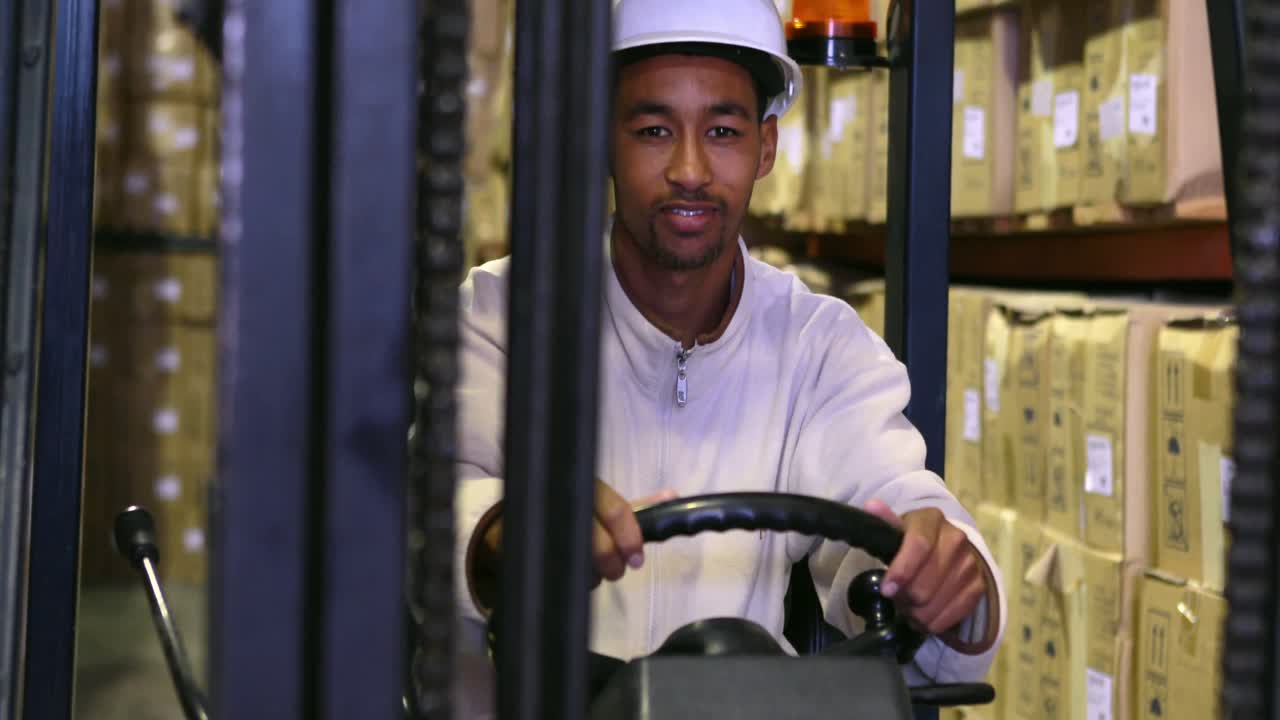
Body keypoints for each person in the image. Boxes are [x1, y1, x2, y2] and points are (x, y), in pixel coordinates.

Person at [452, 0, 1006, 698]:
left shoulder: (819, 348)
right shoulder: (503, 317)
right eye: (654, 130)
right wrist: (503, 533)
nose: (690, 168)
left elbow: (895, 497)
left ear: (765, 148)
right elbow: (430, 507)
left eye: (722, 130)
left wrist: (952, 577)